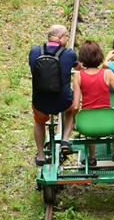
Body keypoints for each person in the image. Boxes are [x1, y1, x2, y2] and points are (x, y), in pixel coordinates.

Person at [72, 40, 114, 165]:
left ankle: (91, 157)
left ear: (82, 58)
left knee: (88, 123)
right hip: (109, 122)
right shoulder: (107, 73)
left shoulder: (78, 76)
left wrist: (76, 121)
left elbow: (75, 106)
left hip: (87, 122)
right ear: (99, 56)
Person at [28, 25, 78, 166]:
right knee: (72, 108)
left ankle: (41, 155)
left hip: (40, 102)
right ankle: (66, 139)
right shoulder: (69, 54)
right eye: (67, 36)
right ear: (61, 37)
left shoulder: (34, 51)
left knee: (39, 122)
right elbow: (78, 66)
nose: (68, 39)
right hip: (63, 102)